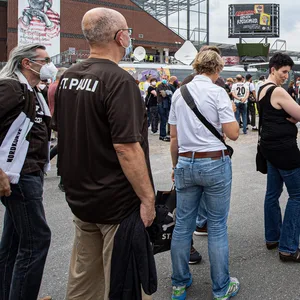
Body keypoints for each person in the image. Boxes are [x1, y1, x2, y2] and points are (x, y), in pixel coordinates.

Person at [52, 7, 156, 299]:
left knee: (85, 280)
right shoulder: (119, 81)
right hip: (116, 204)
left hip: (81, 197)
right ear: (121, 37)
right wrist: (148, 199)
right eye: (129, 33)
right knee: (122, 281)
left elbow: (64, 131)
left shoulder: (69, 76)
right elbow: (126, 147)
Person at [169, 49, 240, 300]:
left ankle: (179, 283)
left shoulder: (179, 93)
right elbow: (233, 134)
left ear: (197, 66)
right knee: (217, 226)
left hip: (186, 162)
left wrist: (175, 166)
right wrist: (231, 111)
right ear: (218, 69)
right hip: (214, 162)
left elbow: (174, 138)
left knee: (183, 226)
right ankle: (221, 287)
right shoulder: (218, 92)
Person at [0, 44, 54, 300]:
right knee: (36, 241)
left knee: (13, 244)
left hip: (29, 172)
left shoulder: (32, 90)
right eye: (45, 60)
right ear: (27, 63)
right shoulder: (10, 87)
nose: (49, 64)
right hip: (18, 175)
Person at [258, 53, 300, 262]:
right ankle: (288, 247)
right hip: (284, 150)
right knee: (298, 195)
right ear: (273, 69)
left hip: (269, 148)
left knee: (272, 193)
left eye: (288, 73)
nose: (286, 76)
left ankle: (273, 237)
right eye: (284, 72)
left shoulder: (261, 89)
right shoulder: (278, 92)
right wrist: (292, 119)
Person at [157, 74, 172, 141]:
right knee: (163, 120)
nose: (164, 79)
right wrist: (167, 93)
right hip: (161, 104)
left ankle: (164, 135)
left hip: (166, 104)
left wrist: (167, 93)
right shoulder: (160, 85)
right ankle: (162, 135)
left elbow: (170, 93)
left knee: (165, 120)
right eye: (163, 78)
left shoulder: (168, 86)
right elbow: (163, 94)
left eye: (165, 78)